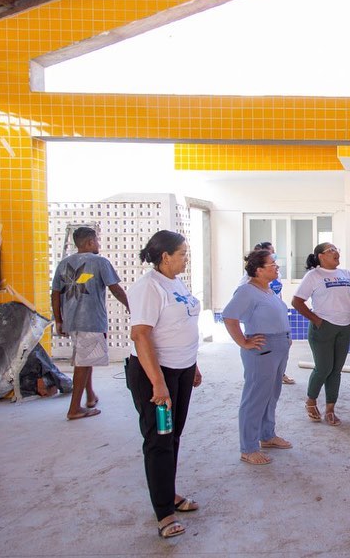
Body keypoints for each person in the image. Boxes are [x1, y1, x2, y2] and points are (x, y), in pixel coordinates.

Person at [125, 230, 203, 539]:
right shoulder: (148, 287)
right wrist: (158, 385)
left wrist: (193, 365)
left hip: (181, 370)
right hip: (156, 374)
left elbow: (183, 324)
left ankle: (167, 493)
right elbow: (141, 335)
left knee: (173, 436)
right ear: (165, 256)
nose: (186, 258)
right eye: (183, 253)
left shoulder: (174, 281)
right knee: (159, 439)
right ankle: (164, 513)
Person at [291, 243, 350, 426]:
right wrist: (316, 320)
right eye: (330, 250)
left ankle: (330, 409)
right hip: (323, 327)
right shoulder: (314, 275)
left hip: (346, 326)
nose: (335, 253)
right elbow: (296, 301)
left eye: (336, 250)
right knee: (323, 368)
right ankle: (311, 401)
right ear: (320, 256)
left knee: (336, 370)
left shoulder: (346, 274)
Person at [223, 250, 293, 466]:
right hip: (262, 349)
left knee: (271, 394)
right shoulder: (246, 291)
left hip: (280, 346)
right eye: (272, 264)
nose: (277, 267)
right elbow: (229, 316)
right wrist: (244, 342)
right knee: (255, 397)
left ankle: (267, 435)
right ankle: (248, 447)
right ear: (259, 270)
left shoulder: (268, 290)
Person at [51, 226, 128, 420]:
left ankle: (90, 396)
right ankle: (74, 408)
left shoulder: (64, 263)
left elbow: (55, 293)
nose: (98, 244)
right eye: (97, 240)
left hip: (72, 320)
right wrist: (131, 306)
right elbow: (116, 289)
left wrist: (59, 320)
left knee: (84, 359)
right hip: (91, 320)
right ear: (90, 242)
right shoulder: (100, 262)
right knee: (83, 363)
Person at [240, 241, 294, 385]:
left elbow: (278, 294)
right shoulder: (247, 285)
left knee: (272, 387)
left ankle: (280, 373)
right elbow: (231, 316)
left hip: (278, 328)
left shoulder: (275, 275)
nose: (275, 262)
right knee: (259, 384)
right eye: (271, 254)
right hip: (262, 332)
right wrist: (243, 342)